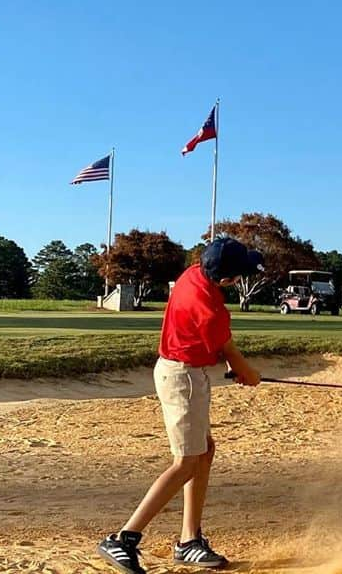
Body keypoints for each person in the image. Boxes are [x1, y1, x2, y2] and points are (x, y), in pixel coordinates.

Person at [97, 237, 263, 574]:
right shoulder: (210, 305)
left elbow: (214, 346)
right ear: (227, 279)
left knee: (203, 452)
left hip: (188, 372)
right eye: (239, 274)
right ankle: (124, 538)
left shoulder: (194, 274)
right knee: (187, 461)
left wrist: (232, 363)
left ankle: (189, 541)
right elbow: (230, 352)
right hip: (182, 378)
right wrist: (249, 374)